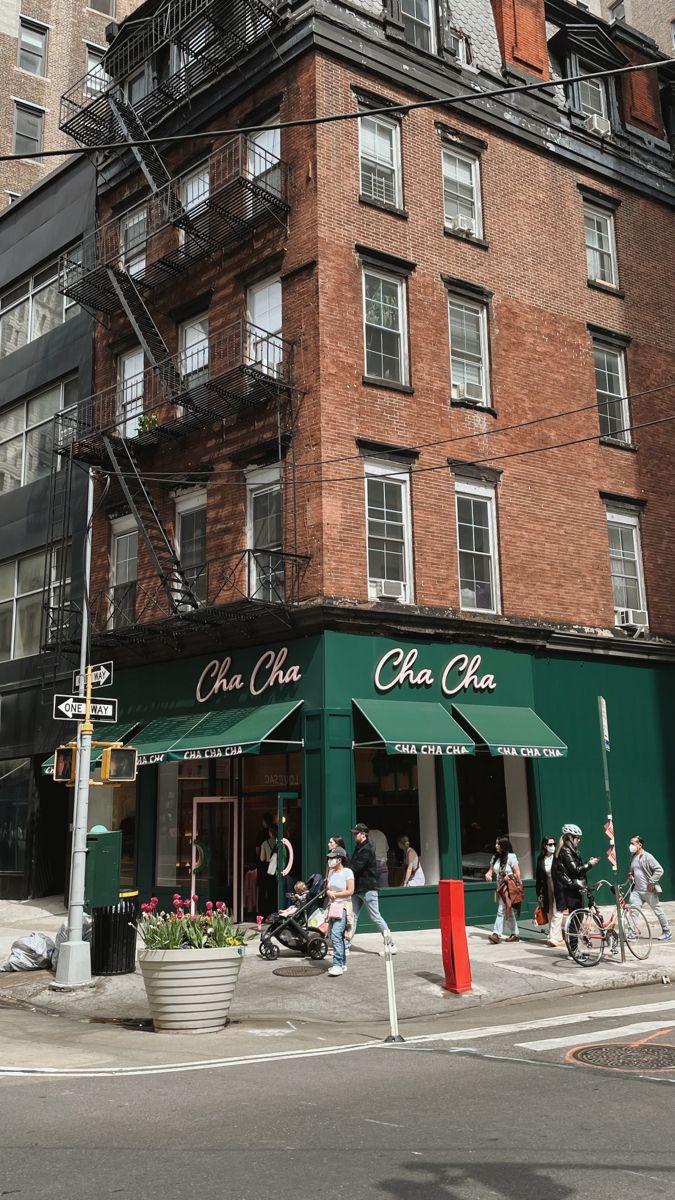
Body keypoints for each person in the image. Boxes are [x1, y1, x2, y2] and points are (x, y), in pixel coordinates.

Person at [349, 823, 397, 955]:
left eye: (356, 833)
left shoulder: (367, 849)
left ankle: (391, 944)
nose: (354, 835)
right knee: (352, 917)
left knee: (376, 917)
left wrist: (344, 873)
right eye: (354, 833)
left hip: (368, 888)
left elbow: (355, 867)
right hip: (358, 889)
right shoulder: (359, 848)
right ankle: (346, 945)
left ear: (363, 834)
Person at [551, 823, 600, 949]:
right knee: (575, 921)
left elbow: (574, 868)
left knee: (576, 919)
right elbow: (575, 870)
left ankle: (574, 950)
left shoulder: (570, 850)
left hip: (573, 888)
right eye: (577, 837)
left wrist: (586, 863)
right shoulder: (566, 851)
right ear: (570, 837)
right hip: (571, 889)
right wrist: (589, 864)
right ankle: (573, 951)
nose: (579, 840)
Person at [629, 835, 672, 941]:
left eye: (633, 843)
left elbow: (659, 870)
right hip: (637, 891)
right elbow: (634, 870)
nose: (630, 846)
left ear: (640, 844)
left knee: (657, 910)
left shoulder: (648, 856)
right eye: (630, 843)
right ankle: (632, 933)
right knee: (633, 911)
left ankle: (667, 932)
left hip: (648, 891)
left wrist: (651, 882)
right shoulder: (633, 856)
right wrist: (631, 873)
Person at [485, 836, 521, 943]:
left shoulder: (511, 857)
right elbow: (491, 871)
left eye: (498, 844)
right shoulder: (495, 857)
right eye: (496, 843)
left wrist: (509, 877)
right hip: (500, 887)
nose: (496, 845)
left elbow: (518, 873)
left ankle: (496, 934)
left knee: (501, 909)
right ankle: (515, 933)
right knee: (507, 909)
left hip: (508, 887)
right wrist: (488, 874)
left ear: (504, 845)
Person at [325, 846, 354, 977]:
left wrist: (335, 895)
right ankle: (342, 963)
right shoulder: (331, 872)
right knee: (335, 935)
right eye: (329, 858)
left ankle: (337, 965)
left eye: (332, 858)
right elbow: (327, 888)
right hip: (332, 907)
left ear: (340, 859)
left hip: (343, 906)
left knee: (336, 934)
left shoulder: (347, 872)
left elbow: (350, 891)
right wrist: (328, 892)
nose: (330, 860)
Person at [535, 835, 564, 947]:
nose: (552, 846)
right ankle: (559, 938)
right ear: (544, 846)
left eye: (554, 844)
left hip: (558, 887)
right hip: (547, 887)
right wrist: (539, 893)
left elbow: (561, 847)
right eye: (550, 844)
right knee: (549, 912)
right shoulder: (540, 859)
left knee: (558, 911)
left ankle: (552, 937)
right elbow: (538, 877)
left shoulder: (557, 857)